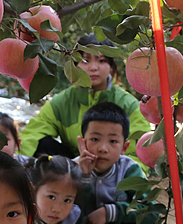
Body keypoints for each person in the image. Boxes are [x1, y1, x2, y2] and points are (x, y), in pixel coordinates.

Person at [76, 102, 174, 224]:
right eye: (95, 139)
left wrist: (110, 212)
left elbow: (149, 212)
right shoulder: (71, 169)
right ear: (82, 142)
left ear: (124, 147)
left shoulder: (129, 170)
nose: (102, 148)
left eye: (113, 141)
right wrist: (83, 178)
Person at [17, 33, 150, 161]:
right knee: (42, 144)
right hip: (75, 170)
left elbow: (140, 151)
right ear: (75, 66)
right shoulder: (62, 103)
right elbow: (32, 135)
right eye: (85, 60)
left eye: (101, 60)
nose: (93, 67)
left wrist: (125, 176)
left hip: (113, 172)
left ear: (111, 66)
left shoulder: (129, 105)